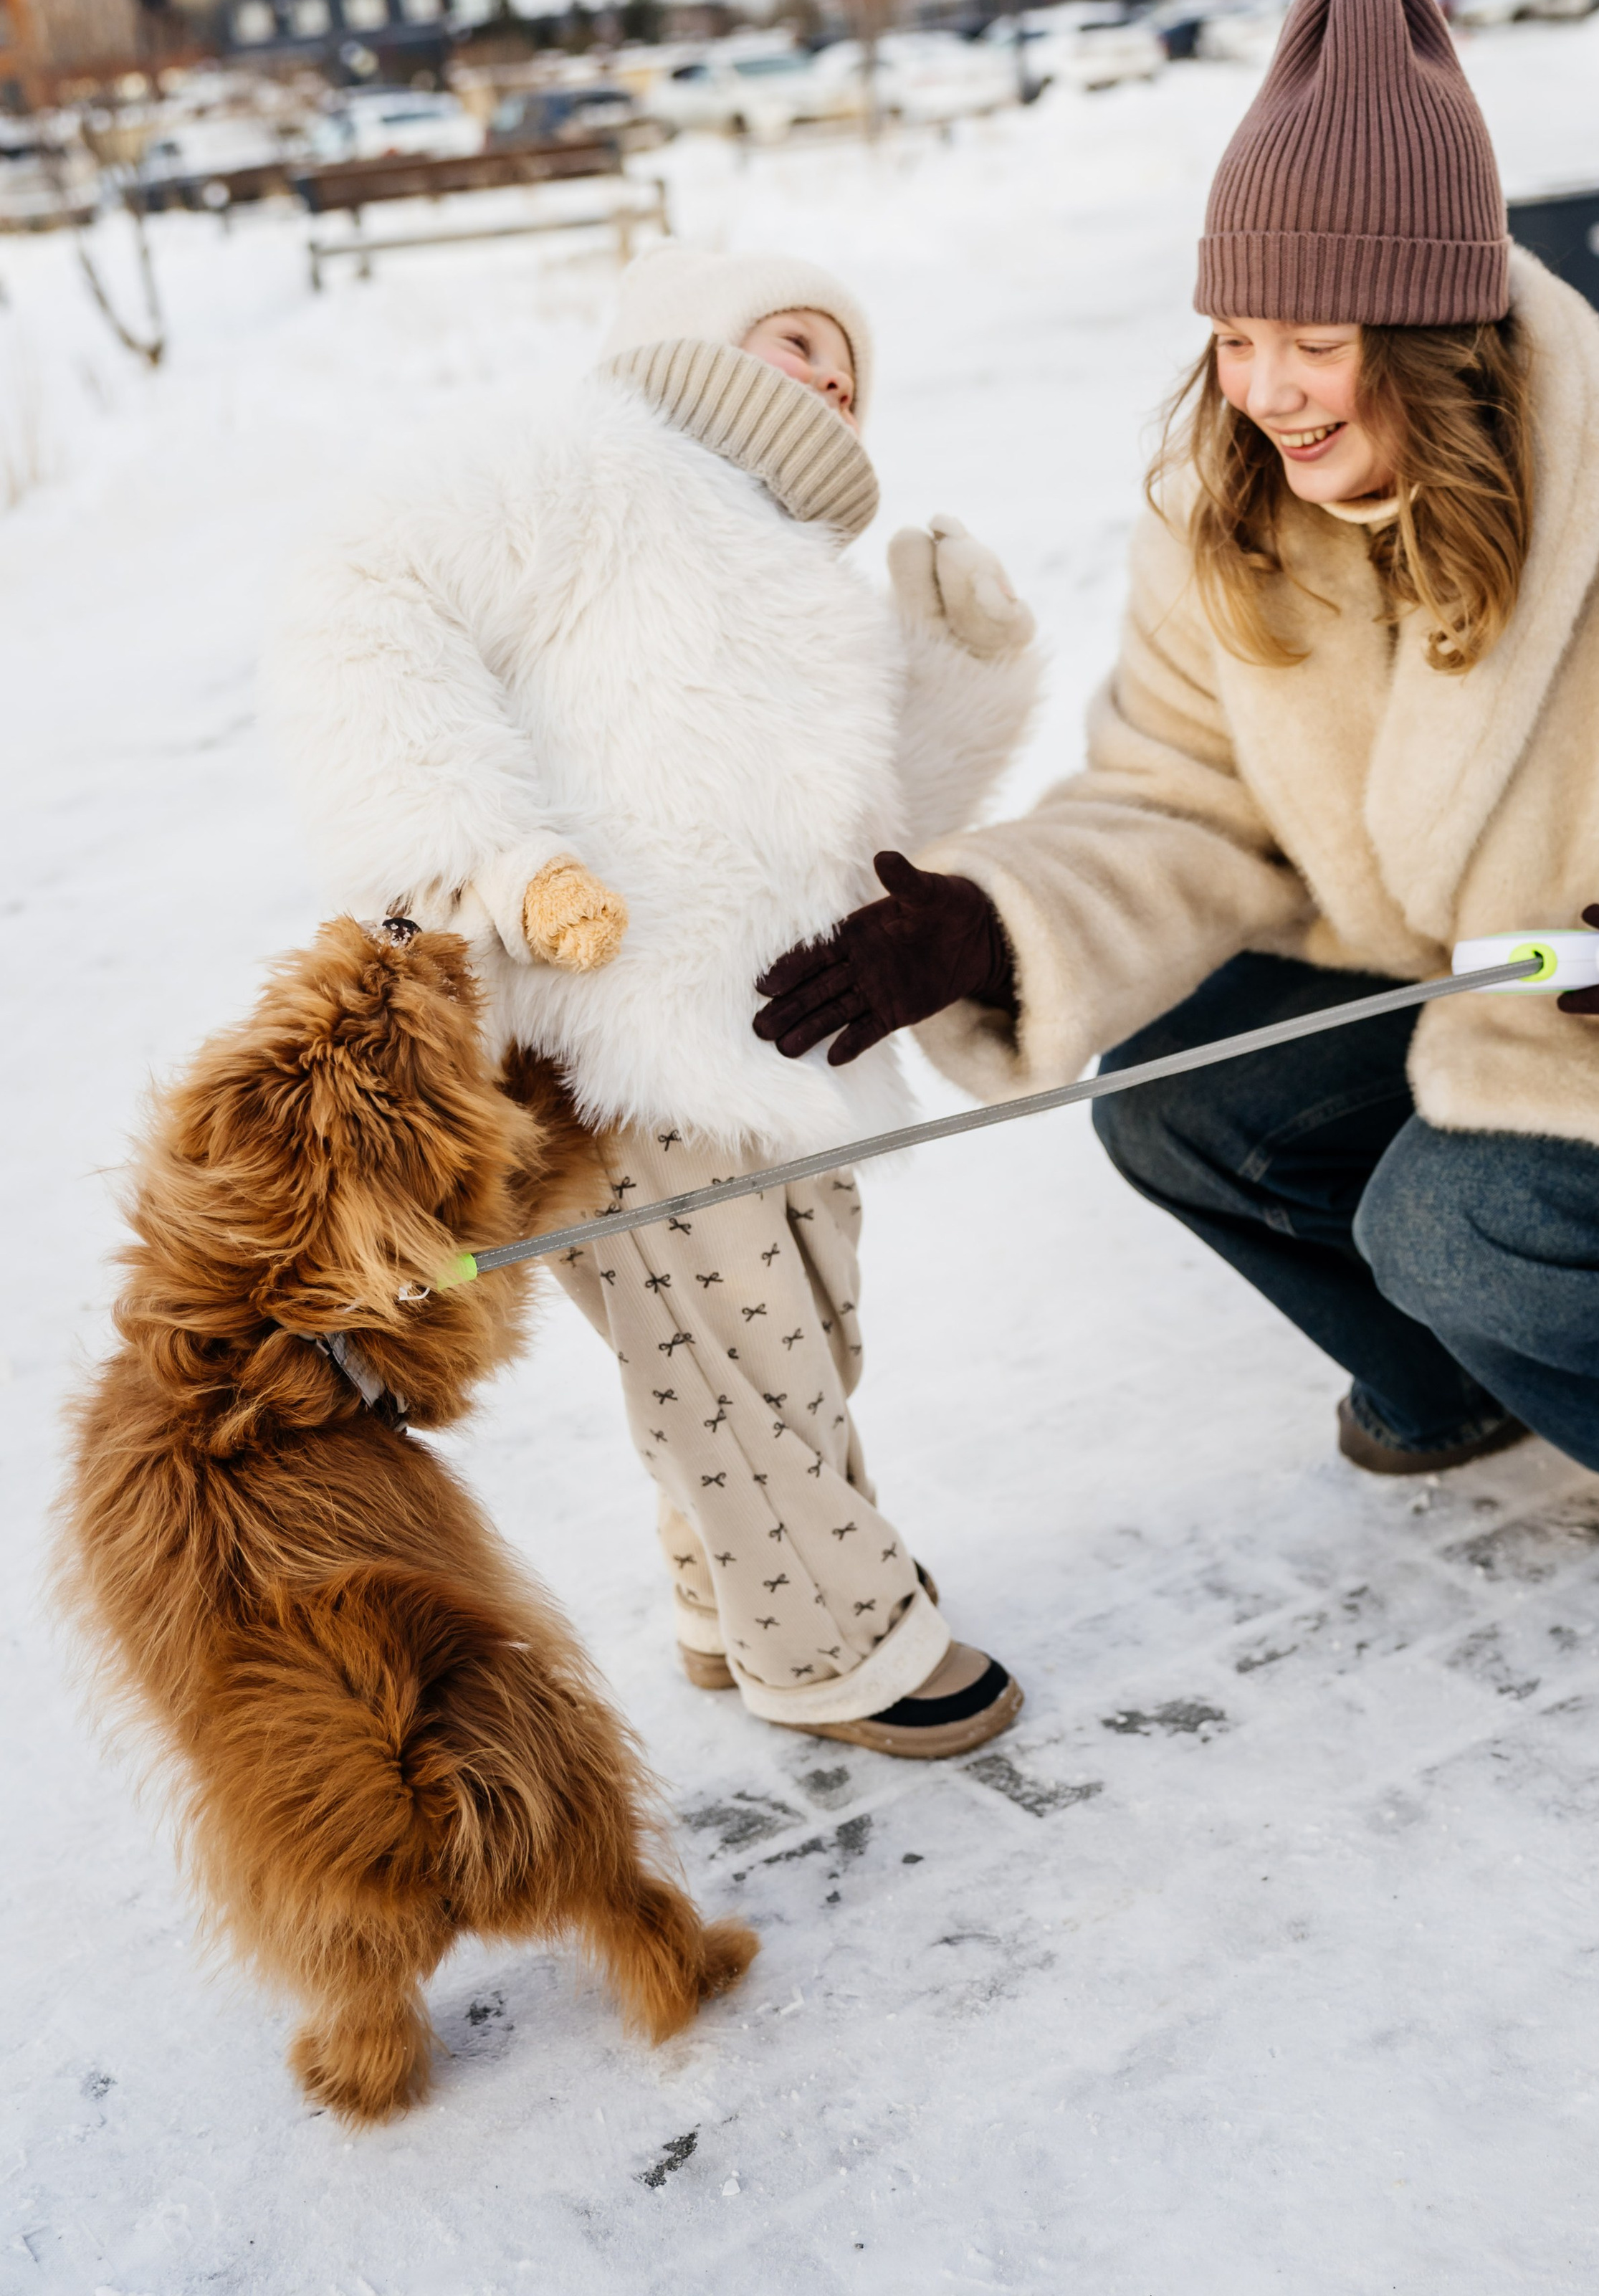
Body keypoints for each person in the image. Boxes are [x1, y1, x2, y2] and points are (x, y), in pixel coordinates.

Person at [753, 0, 1599, 1568]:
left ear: (1430, 332)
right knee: (1176, 1103)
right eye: (1234, 336)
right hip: (1477, 985)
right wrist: (992, 920)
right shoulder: (1230, 530)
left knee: (1449, 1221)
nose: (1259, 393)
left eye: (1309, 340)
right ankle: (1472, 1375)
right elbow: (1176, 800)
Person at [269, 244, 1041, 1753]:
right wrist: (483, 856)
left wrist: (967, 669)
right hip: (619, 1035)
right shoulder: (585, 471)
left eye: (847, 366)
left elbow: (871, 824)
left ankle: (730, 1585)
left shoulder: (799, 579)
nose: (827, 376)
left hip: (787, 1048)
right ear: (692, 334)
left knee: (785, 1349)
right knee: (741, 1360)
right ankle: (833, 1645)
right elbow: (356, 594)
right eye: (795, 338)